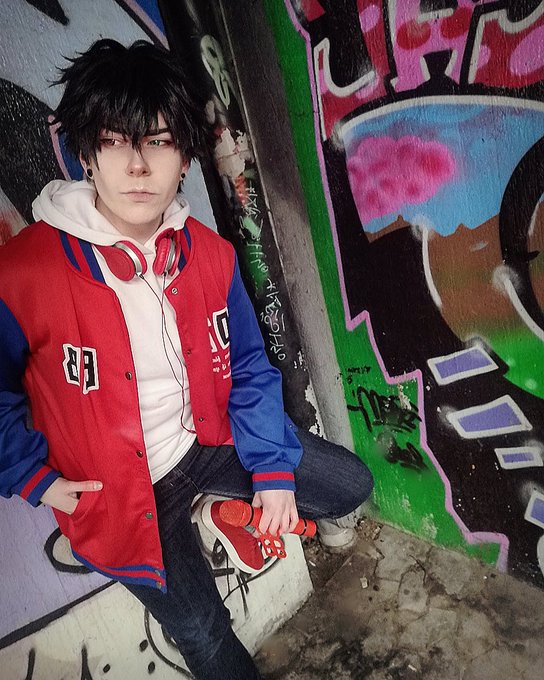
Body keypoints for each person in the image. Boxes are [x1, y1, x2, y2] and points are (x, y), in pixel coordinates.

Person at [0, 40, 373, 679]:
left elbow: (249, 364)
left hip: (205, 441)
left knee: (350, 485)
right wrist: (33, 477)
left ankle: (223, 499)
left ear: (185, 158)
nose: (137, 165)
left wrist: (273, 473)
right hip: (122, 493)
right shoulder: (24, 272)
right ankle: (211, 513)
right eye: (114, 142)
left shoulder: (209, 254)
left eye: (159, 142)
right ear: (86, 155)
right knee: (204, 634)